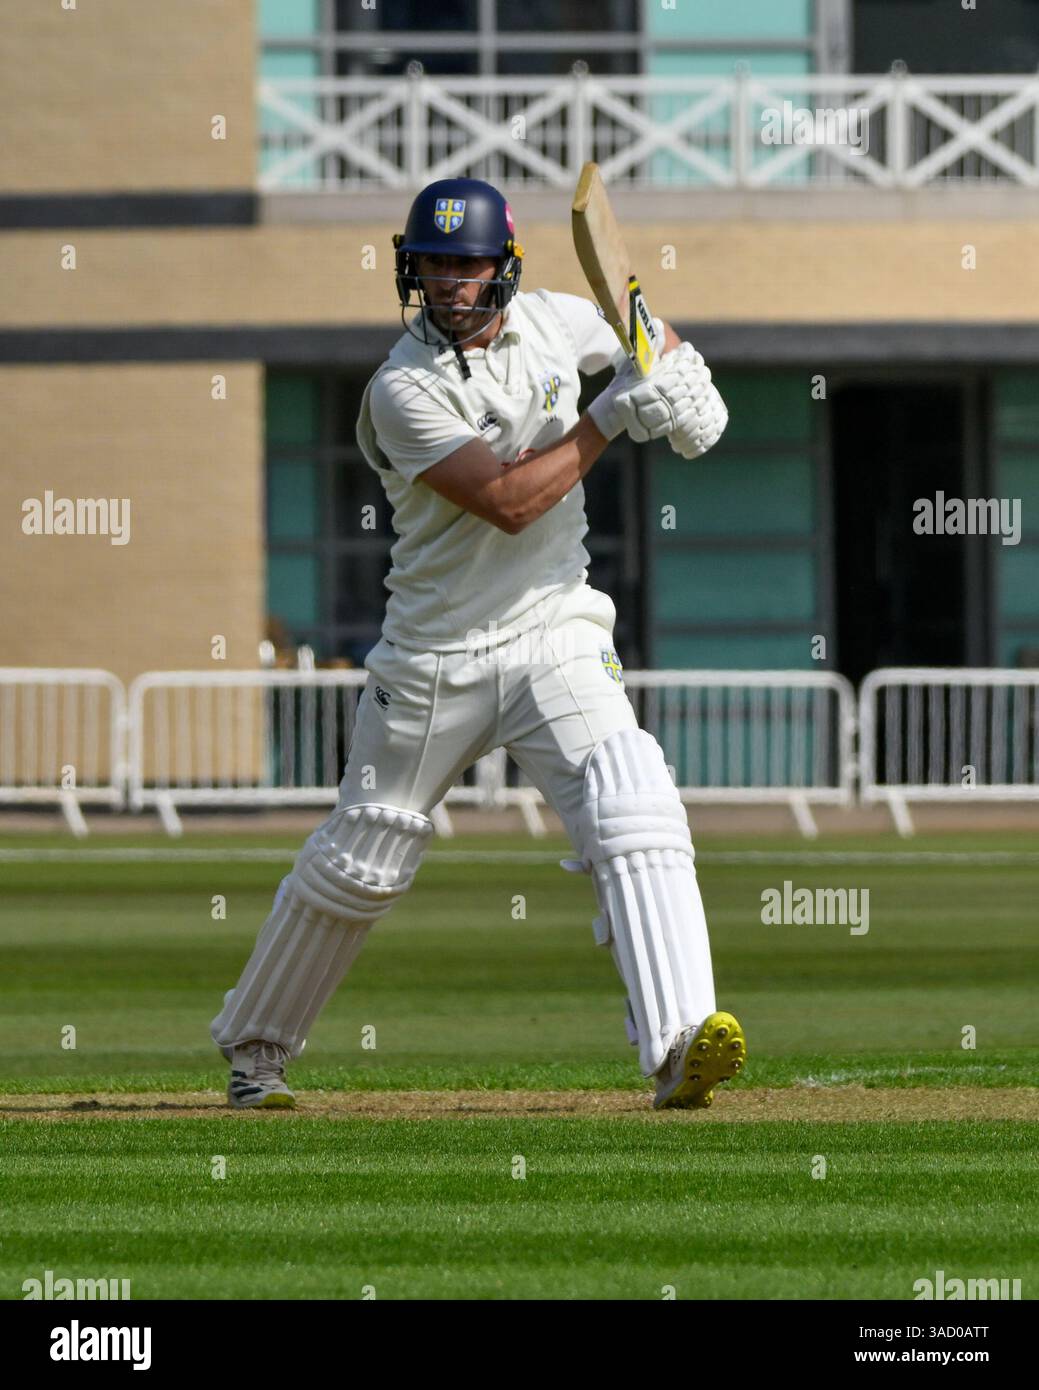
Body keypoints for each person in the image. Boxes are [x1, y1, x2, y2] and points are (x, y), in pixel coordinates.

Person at [211, 177, 745, 1110]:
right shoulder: (399, 389)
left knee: (634, 801)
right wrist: (613, 414)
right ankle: (255, 1050)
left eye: (466, 265)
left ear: (503, 268)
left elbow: (643, 344)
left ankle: (677, 1044)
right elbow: (506, 502)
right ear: (408, 270)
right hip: (433, 657)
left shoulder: (557, 321)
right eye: (432, 266)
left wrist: (677, 382)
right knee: (362, 860)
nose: (449, 285)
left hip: (553, 631)